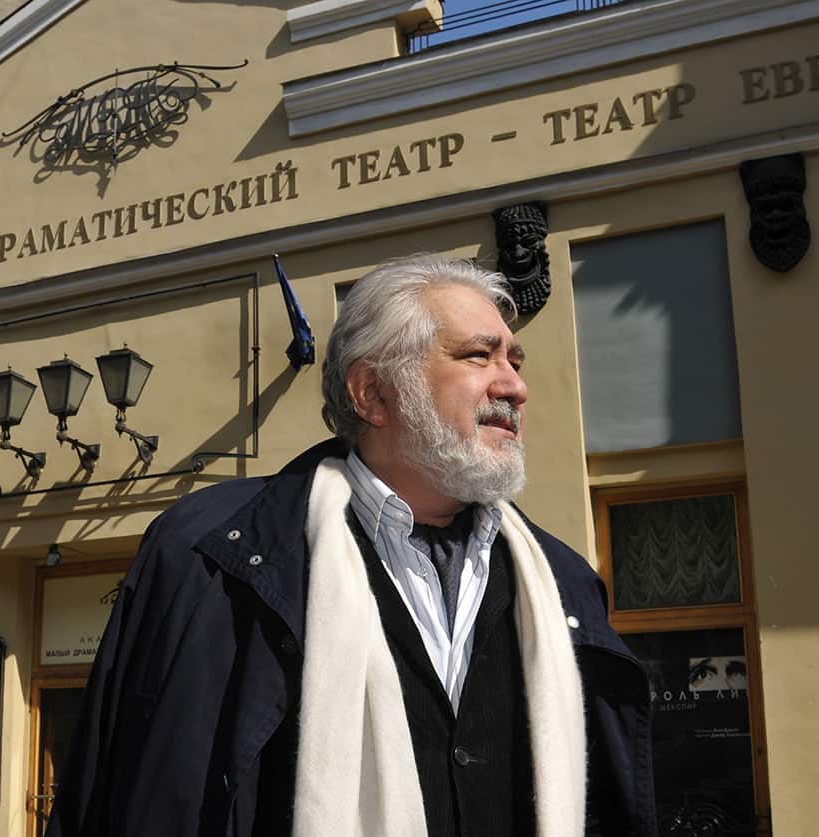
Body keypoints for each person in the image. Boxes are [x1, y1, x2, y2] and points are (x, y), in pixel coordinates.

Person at [44, 254, 655, 837]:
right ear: (373, 394)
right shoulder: (208, 558)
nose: (515, 387)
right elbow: (135, 791)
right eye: (479, 355)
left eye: (514, 362)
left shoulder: (560, 580)